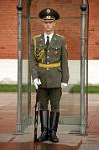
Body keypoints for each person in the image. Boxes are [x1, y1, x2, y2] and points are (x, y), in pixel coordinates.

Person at [31, 8, 69, 143]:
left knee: (55, 106)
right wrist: (34, 77)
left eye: (50, 22)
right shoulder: (36, 40)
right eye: (46, 22)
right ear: (43, 23)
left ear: (54, 24)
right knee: (42, 106)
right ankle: (44, 132)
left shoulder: (61, 40)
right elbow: (33, 61)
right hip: (41, 79)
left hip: (56, 79)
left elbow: (64, 60)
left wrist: (65, 79)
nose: (48, 25)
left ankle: (53, 133)